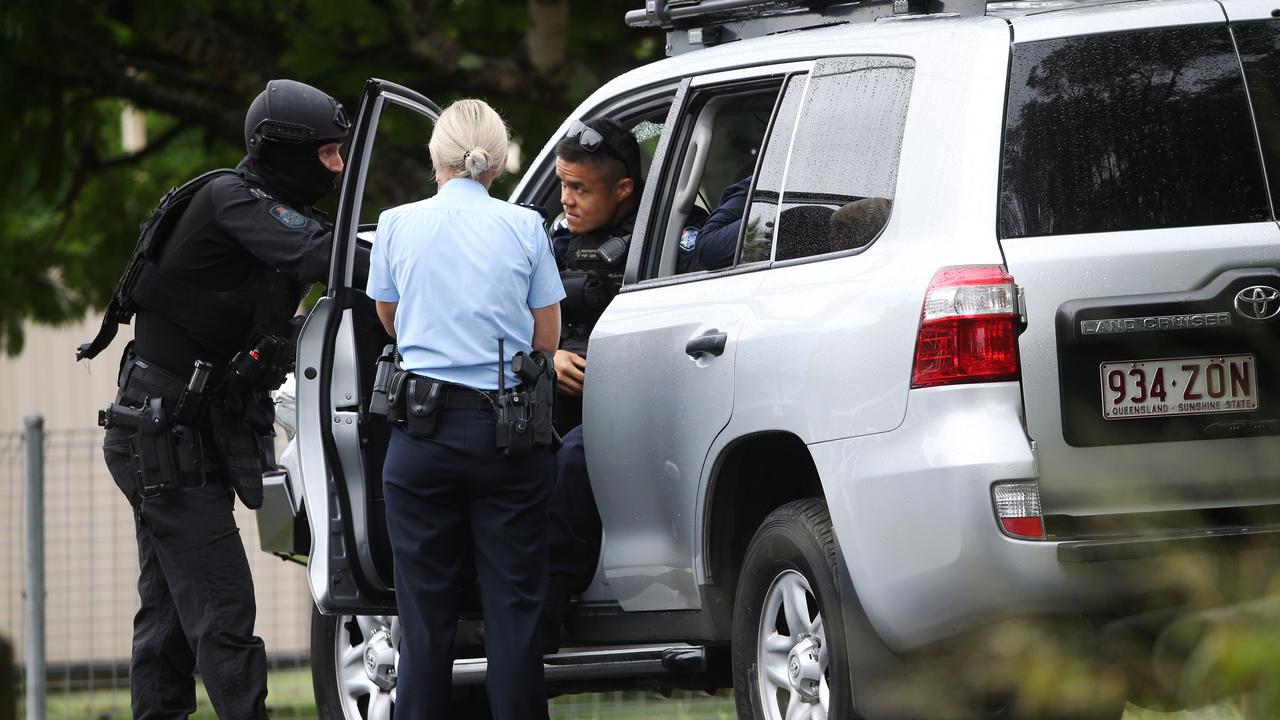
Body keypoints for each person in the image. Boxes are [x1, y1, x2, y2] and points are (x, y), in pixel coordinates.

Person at [90, 79, 350, 719]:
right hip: (164, 435)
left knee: (170, 626)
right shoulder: (234, 199)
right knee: (222, 607)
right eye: (326, 154)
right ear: (283, 151)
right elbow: (324, 254)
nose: (339, 167)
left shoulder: (266, 208)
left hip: (188, 431)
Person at [366, 98, 564, 720]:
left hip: (420, 442)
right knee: (515, 620)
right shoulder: (526, 226)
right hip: (505, 439)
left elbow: (388, 319)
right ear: (500, 162)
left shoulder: (396, 223)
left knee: (423, 624)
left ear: (436, 158)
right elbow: (547, 336)